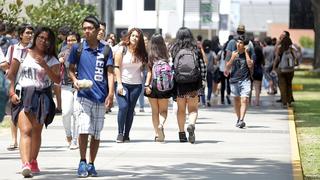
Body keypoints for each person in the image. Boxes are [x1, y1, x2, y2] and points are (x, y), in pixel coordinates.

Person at [7, 26, 60, 178]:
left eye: (47, 39)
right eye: (41, 37)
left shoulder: (52, 59)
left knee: (36, 131)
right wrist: (11, 93)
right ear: (35, 38)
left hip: (42, 95)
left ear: (51, 42)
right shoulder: (22, 53)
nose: (43, 41)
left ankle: (33, 160)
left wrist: (44, 65)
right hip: (24, 94)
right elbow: (11, 75)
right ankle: (25, 164)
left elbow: (57, 80)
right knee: (25, 130)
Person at [68, 15, 114, 177]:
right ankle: (82, 161)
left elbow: (110, 73)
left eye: (90, 28)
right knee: (83, 128)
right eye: (85, 28)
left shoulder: (106, 49)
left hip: (100, 97)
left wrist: (110, 93)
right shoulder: (77, 48)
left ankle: (91, 164)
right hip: (83, 95)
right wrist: (75, 80)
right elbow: (71, 68)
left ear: (97, 30)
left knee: (96, 133)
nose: (87, 31)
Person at [170, 27, 206, 144]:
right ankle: (191, 125)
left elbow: (172, 67)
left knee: (181, 110)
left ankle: (181, 134)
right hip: (193, 83)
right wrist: (203, 82)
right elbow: (202, 67)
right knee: (193, 109)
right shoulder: (196, 48)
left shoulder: (174, 49)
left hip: (180, 83)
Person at [2, 24, 34, 151]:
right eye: (27, 33)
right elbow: (7, 65)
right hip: (15, 84)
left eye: (31, 33)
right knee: (14, 112)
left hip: (31, 85)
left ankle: (26, 138)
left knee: (29, 112)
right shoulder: (13, 48)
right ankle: (14, 139)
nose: (29, 35)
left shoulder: (35, 48)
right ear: (21, 35)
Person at [114, 27, 148, 143]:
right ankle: (120, 133)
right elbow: (116, 67)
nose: (135, 38)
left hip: (136, 85)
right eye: (133, 35)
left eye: (137, 36)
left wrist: (147, 82)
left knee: (130, 110)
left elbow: (147, 67)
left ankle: (126, 134)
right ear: (129, 37)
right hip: (122, 83)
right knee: (123, 107)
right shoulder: (122, 49)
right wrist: (118, 84)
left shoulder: (142, 52)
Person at [144, 34, 172, 142]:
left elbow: (149, 72)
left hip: (152, 85)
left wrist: (146, 85)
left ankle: (156, 134)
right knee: (163, 110)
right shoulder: (166, 55)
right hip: (164, 85)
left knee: (154, 111)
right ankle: (161, 124)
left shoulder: (150, 55)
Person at [224, 35, 253, 128]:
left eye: (241, 42)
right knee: (236, 100)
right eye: (238, 42)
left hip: (245, 80)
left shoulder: (249, 53)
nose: (238, 44)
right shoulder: (233, 53)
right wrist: (232, 58)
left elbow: (250, 65)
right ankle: (238, 118)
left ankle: (241, 120)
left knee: (244, 99)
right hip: (234, 80)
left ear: (244, 45)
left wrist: (246, 52)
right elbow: (227, 68)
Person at [58, 31, 81, 150]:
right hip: (66, 85)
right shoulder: (63, 53)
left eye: (73, 40)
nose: (70, 42)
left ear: (78, 41)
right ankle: (68, 135)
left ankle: (75, 140)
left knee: (77, 113)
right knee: (66, 112)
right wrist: (60, 61)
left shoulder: (83, 52)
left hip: (80, 86)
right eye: (68, 40)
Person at [272, 35, 295, 108]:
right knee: (289, 85)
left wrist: (274, 67)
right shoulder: (291, 49)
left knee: (282, 86)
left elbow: (277, 59)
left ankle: (284, 102)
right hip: (290, 70)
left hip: (281, 69)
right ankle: (289, 101)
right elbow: (295, 58)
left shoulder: (280, 48)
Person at [252, 40, 265, 106]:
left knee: (252, 87)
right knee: (258, 88)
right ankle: (257, 101)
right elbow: (263, 63)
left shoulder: (253, 54)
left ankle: (252, 101)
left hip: (254, 71)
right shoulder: (261, 54)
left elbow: (253, 63)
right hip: (260, 71)